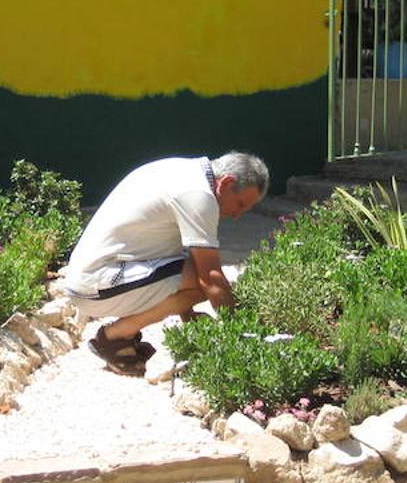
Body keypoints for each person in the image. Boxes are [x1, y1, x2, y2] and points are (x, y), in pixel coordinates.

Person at [62, 151, 268, 375]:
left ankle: (122, 335)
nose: (237, 215)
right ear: (226, 183)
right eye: (239, 204)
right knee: (205, 284)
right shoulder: (198, 196)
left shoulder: (183, 171)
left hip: (94, 277)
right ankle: (115, 337)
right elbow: (210, 278)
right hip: (96, 284)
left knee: (197, 275)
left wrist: (188, 317)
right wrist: (246, 340)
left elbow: (175, 259)